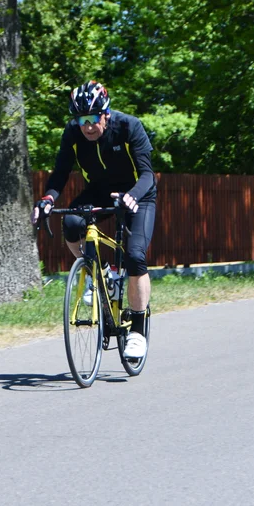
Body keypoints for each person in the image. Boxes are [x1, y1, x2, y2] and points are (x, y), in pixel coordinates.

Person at [31, 80, 156, 359]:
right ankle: (94, 275)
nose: (87, 126)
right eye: (81, 119)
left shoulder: (128, 127)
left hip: (138, 194)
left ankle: (137, 330)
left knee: (135, 256)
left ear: (106, 114)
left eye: (93, 118)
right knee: (72, 224)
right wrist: (48, 199)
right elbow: (60, 172)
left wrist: (131, 195)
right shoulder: (73, 133)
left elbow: (148, 174)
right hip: (99, 193)